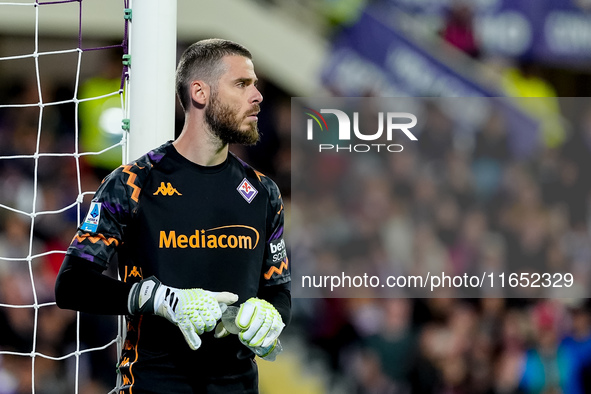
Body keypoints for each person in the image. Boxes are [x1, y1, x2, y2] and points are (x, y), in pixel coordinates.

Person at [55, 38, 291, 393]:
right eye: (242, 84)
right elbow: (71, 285)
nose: (257, 95)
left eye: (255, 85)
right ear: (200, 92)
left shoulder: (263, 193)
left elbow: (279, 291)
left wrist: (269, 316)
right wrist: (156, 300)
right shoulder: (133, 183)